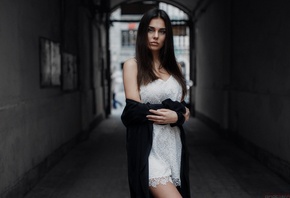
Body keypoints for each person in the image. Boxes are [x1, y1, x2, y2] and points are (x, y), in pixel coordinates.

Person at [121, 8, 191, 198]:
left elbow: (184, 107)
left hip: (172, 146)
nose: (155, 36)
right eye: (150, 30)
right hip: (148, 147)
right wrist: (176, 115)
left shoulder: (174, 67)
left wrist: (179, 114)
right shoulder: (132, 65)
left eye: (161, 31)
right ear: (142, 32)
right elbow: (134, 111)